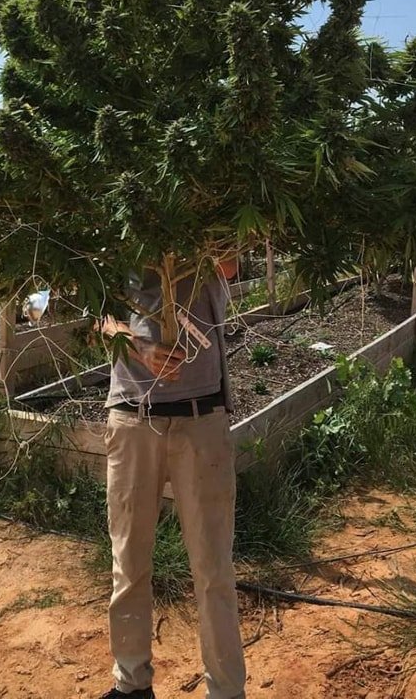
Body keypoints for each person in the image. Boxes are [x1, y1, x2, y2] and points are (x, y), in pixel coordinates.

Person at [98, 257, 245, 699]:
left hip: (200, 416)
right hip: (131, 414)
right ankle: (131, 684)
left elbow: (229, 265)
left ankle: (225, 691)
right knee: (128, 561)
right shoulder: (112, 231)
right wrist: (137, 345)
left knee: (213, 566)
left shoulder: (208, 212)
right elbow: (97, 315)